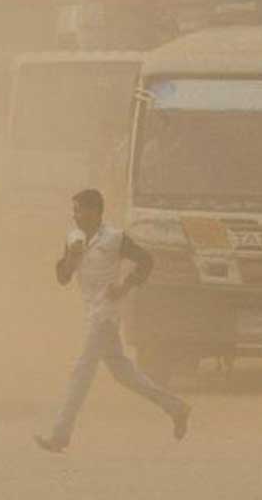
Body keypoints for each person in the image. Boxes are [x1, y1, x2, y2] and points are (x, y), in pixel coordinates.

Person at [34, 189, 191, 453]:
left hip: (106, 314)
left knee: (82, 372)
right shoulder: (73, 238)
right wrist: (72, 257)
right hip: (91, 312)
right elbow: (62, 278)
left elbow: (146, 261)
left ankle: (60, 435)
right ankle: (176, 407)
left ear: (95, 211)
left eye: (79, 210)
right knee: (123, 373)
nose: (75, 215)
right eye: (74, 210)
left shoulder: (115, 238)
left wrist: (124, 287)